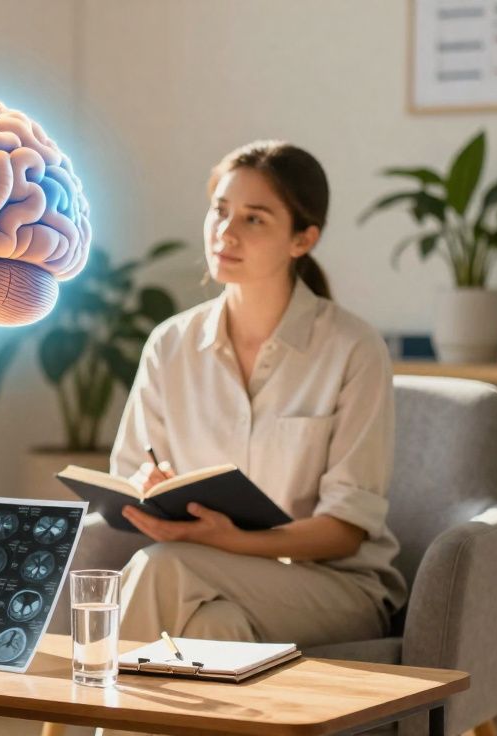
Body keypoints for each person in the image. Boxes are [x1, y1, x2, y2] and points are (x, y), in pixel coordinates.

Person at [109, 140, 407, 648]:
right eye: (220, 210)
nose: (225, 232)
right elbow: (130, 476)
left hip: (333, 587)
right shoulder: (171, 344)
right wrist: (149, 484)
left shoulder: (353, 349)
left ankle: (91, 700)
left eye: (254, 219)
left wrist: (234, 540)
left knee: (162, 568)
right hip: (212, 581)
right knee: (214, 628)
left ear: (302, 240)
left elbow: (345, 531)